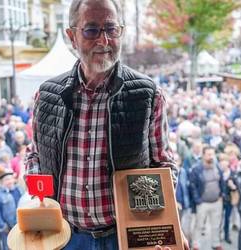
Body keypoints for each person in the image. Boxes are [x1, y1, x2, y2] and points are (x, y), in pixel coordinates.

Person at [24, 0, 189, 249]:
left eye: (111, 29)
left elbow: (164, 166)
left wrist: (166, 225)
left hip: (124, 237)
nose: (104, 40)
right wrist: (39, 200)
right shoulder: (47, 95)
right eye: (91, 30)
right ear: (72, 36)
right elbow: (35, 155)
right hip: (65, 237)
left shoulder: (147, 94)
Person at [189, 146, 224, 250]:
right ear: (203, 155)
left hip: (217, 202)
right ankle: (196, 244)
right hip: (202, 202)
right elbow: (192, 185)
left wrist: (222, 195)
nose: (211, 156)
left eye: (212, 154)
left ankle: (216, 243)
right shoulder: (197, 169)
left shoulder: (217, 166)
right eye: (209, 154)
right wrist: (197, 200)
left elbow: (221, 181)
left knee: (216, 225)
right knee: (199, 225)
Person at [0, 172, 23, 250]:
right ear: (2, 182)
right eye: (7, 180)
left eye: (11, 178)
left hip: (21, 225)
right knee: (8, 247)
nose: (10, 181)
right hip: (8, 228)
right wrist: (3, 226)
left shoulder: (19, 189)